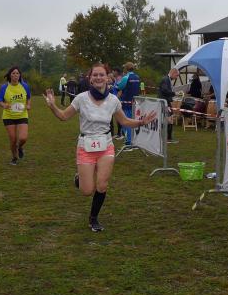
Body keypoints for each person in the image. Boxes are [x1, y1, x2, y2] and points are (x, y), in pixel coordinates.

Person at [43, 63, 156, 232]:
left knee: (102, 185)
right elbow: (64, 116)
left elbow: (124, 121)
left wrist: (141, 122)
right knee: (87, 191)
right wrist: (52, 106)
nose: (98, 77)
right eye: (95, 75)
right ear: (90, 78)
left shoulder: (113, 100)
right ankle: (80, 179)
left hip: (106, 146)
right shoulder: (81, 98)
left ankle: (93, 218)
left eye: (101, 74)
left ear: (107, 78)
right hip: (86, 146)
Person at [0, 66, 31, 166]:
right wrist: (4, 105)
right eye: (13, 73)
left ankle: (19, 147)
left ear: (20, 75)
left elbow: (28, 97)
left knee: (23, 138)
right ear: (10, 75)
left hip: (22, 115)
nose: (15, 75)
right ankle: (14, 158)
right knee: (13, 139)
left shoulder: (25, 86)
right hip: (8, 116)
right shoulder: (4, 87)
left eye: (17, 73)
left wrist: (28, 105)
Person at [117, 62, 141, 146]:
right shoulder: (137, 77)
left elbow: (119, 87)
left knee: (126, 122)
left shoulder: (125, 77)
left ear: (126, 69)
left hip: (126, 102)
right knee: (133, 121)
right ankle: (133, 140)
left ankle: (129, 142)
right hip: (134, 103)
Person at [159, 67, 180, 143]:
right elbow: (164, 90)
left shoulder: (167, 79)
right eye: (176, 75)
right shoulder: (165, 79)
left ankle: (168, 137)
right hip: (164, 102)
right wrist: (175, 93)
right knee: (169, 119)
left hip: (166, 102)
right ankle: (168, 138)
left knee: (169, 118)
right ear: (173, 73)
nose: (176, 77)